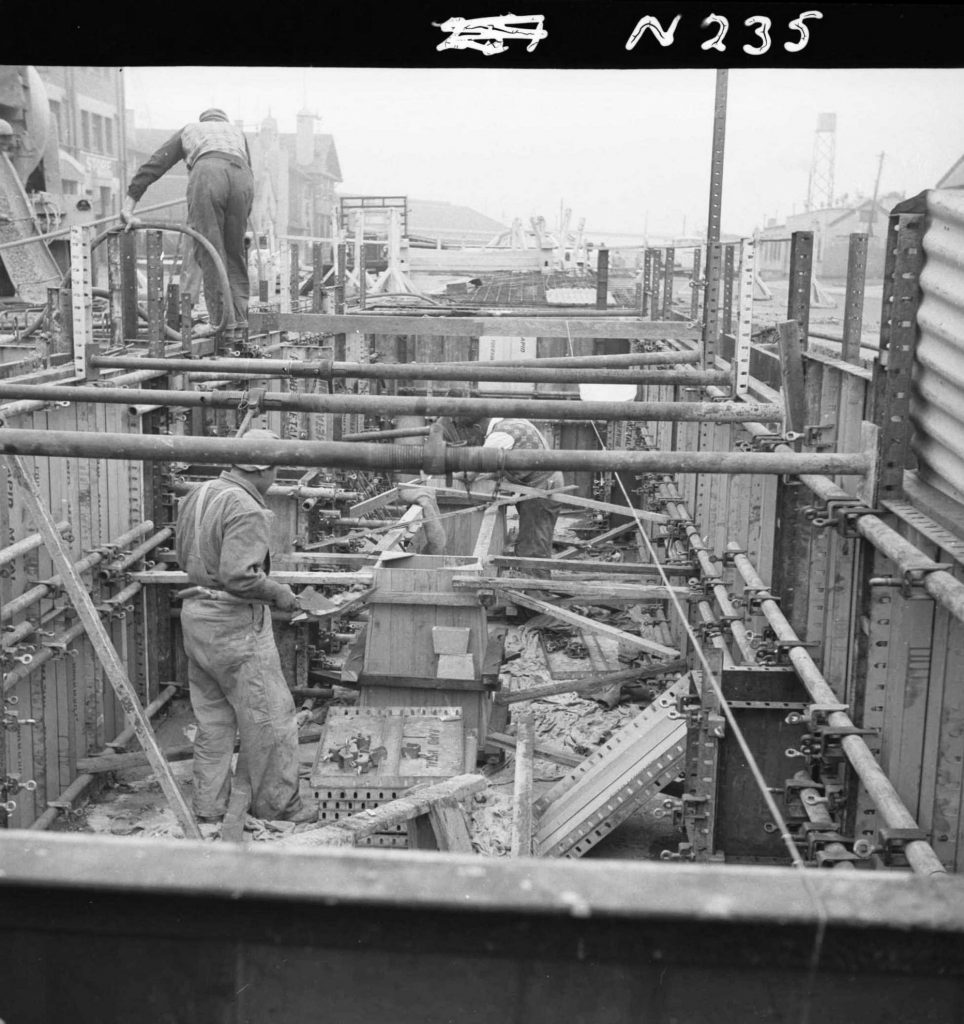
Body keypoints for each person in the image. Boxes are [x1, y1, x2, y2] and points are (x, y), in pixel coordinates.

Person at [174, 428, 316, 825]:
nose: (274, 480)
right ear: (260, 468)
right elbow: (240, 576)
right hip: (235, 623)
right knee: (271, 719)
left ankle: (208, 805)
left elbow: (186, 552)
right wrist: (280, 592)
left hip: (197, 615)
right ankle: (280, 806)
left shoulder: (201, 493)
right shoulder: (247, 508)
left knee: (214, 720)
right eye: (274, 470)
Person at [121, 108, 254, 341]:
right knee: (235, 254)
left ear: (204, 120)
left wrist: (127, 207)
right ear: (224, 121)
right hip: (242, 178)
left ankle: (218, 324)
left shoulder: (191, 130)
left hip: (208, 175)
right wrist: (242, 228)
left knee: (209, 250)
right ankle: (239, 323)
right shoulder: (237, 133)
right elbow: (248, 175)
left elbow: (155, 165)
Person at [448, 414, 565, 577]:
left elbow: (470, 474)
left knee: (533, 546)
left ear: (477, 428)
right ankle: (531, 586)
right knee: (532, 542)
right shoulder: (512, 421)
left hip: (543, 487)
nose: (472, 441)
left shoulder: (499, 436)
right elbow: (503, 464)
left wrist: (445, 474)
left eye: (468, 434)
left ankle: (536, 592)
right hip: (543, 482)